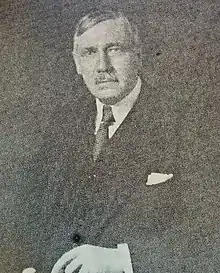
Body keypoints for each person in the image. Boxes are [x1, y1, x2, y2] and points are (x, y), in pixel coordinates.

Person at [1, 9, 218, 273]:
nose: (102, 65)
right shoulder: (62, 122)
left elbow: (210, 230)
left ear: (138, 55)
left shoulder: (191, 124)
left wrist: (124, 260)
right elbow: (27, 213)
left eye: (114, 49)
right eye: (90, 53)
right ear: (77, 63)